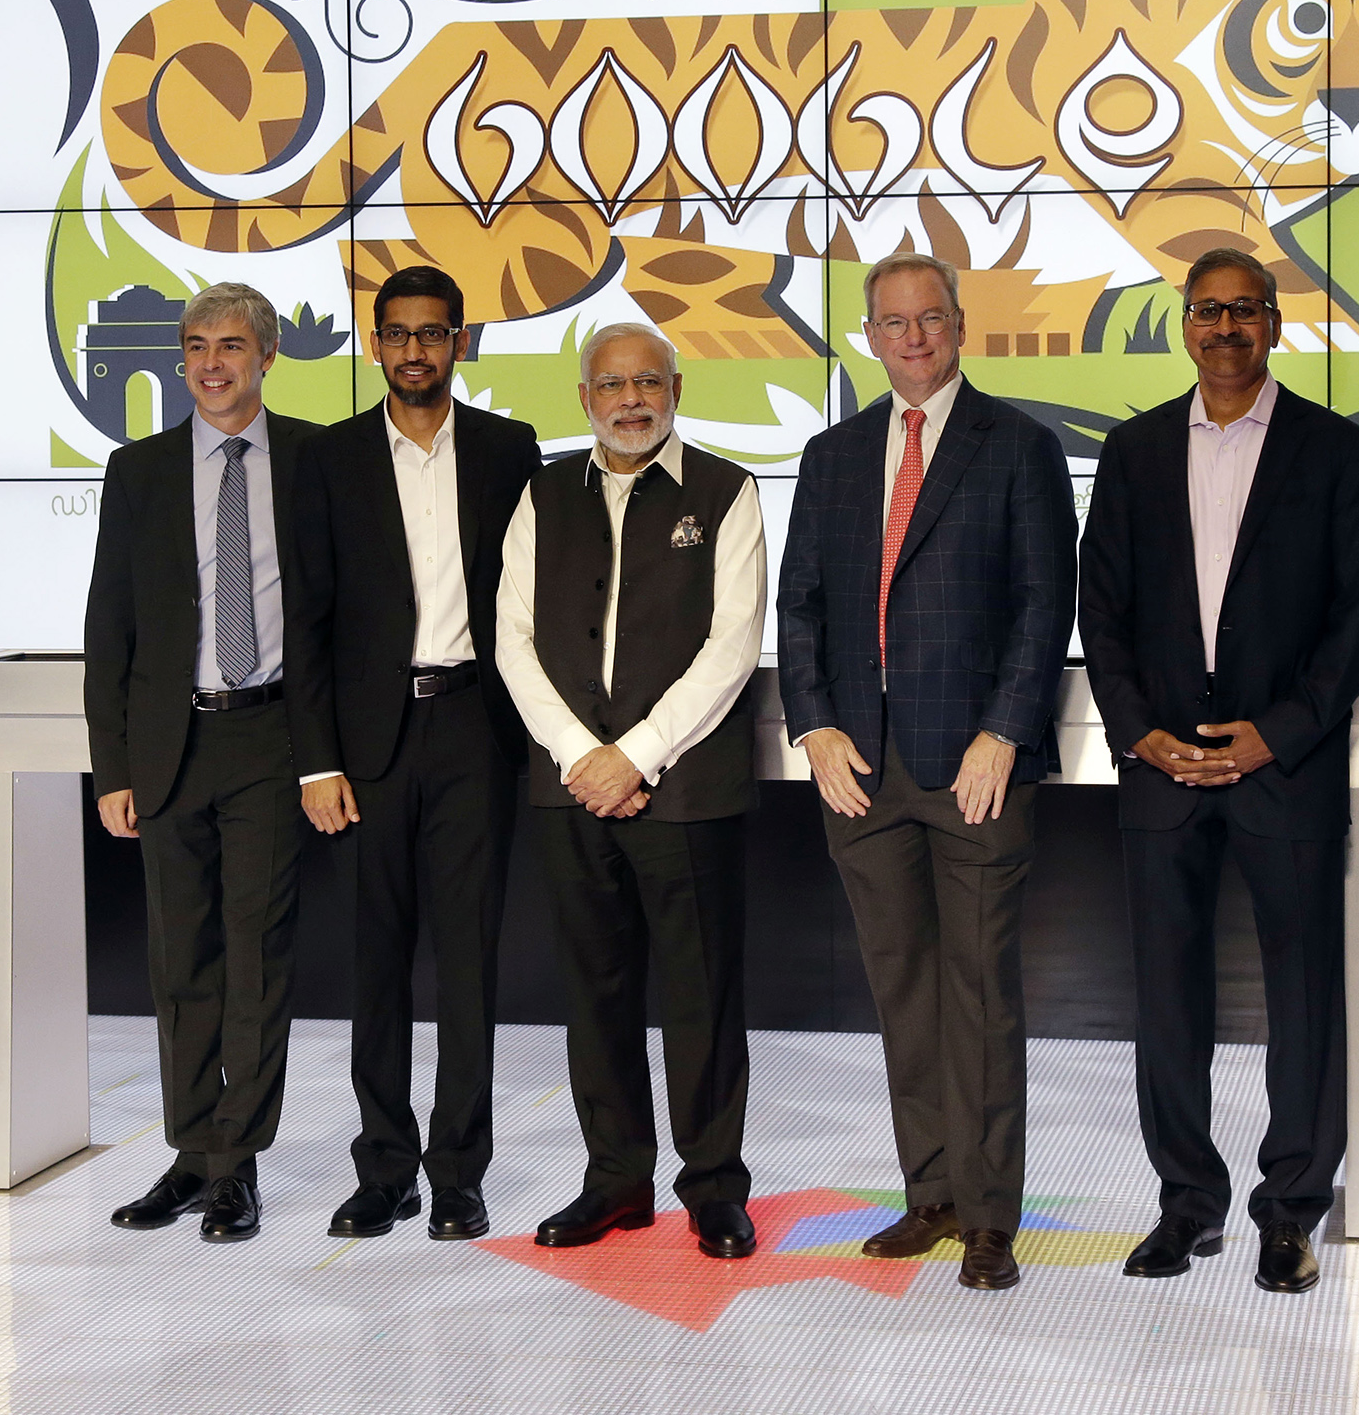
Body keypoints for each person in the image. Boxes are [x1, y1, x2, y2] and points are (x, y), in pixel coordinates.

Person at [1078, 246, 1359, 1295]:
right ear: (1184, 322)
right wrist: (1138, 729)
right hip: (1161, 768)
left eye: (1244, 310)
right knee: (1168, 1001)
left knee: (1304, 997)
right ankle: (1186, 1205)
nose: (1225, 328)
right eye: (1208, 310)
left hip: (1282, 768)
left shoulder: (1336, 450)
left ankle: (1291, 1209)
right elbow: (1104, 613)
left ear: (1275, 321)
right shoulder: (1129, 452)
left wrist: (1282, 730)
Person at [777, 251, 1077, 1292]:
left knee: (980, 990)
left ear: (960, 324)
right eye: (893, 321)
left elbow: (1045, 604)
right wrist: (813, 725)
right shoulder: (833, 455)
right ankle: (933, 1194)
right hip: (861, 767)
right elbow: (802, 605)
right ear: (870, 335)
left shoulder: (1021, 447)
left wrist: (1004, 730)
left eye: (930, 317)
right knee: (903, 987)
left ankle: (991, 1215)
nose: (913, 335)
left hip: (975, 767)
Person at [495, 322, 767, 1260]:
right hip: (571, 786)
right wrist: (584, 755)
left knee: (700, 994)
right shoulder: (540, 494)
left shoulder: (728, 492)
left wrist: (637, 754)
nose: (630, 398)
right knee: (597, 989)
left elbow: (731, 647)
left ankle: (714, 1187)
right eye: (610, 383)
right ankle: (615, 1179)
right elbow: (513, 640)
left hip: (687, 786)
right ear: (584, 399)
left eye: (647, 380)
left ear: (678, 387)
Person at [288, 266, 542, 1243]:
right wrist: (316, 759)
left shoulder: (508, 450)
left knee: (469, 966)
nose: (414, 350)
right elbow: (307, 621)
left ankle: (458, 1174)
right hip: (367, 745)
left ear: (459, 341)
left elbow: (533, 598)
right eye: (396, 333)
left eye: (432, 333)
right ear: (375, 342)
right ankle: (385, 1168)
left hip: (475, 729)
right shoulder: (330, 458)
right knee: (377, 963)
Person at [85, 282, 319, 1243]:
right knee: (182, 959)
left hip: (268, 737)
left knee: (257, 957)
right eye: (195, 345)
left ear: (267, 353)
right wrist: (113, 768)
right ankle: (189, 1154)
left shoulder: (313, 460)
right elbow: (111, 628)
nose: (211, 361)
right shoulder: (136, 470)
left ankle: (237, 1164)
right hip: (168, 743)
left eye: (230, 343)